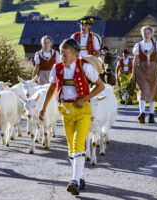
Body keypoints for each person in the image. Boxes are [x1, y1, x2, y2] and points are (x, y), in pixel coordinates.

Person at [38, 38, 104, 195]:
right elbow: (52, 88)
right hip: (65, 111)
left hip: (82, 112)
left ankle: (74, 180)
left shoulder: (85, 67)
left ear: (76, 55)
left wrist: (84, 99)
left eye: (65, 54)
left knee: (78, 144)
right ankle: (80, 178)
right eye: (61, 53)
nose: (62, 57)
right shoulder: (57, 67)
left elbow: (100, 85)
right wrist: (43, 107)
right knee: (71, 149)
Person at [130, 25, 157, 124]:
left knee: (153, 91)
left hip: (153, 70)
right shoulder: (138, 45)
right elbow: (135, 62)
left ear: (152, 34)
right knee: (143, 91)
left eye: (148, 33)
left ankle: (151, 115)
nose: (146, 35)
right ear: (142, 34)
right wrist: (133, 74)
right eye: (144, 33)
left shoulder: (156, 45)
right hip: (142, 70)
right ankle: (142, 113)